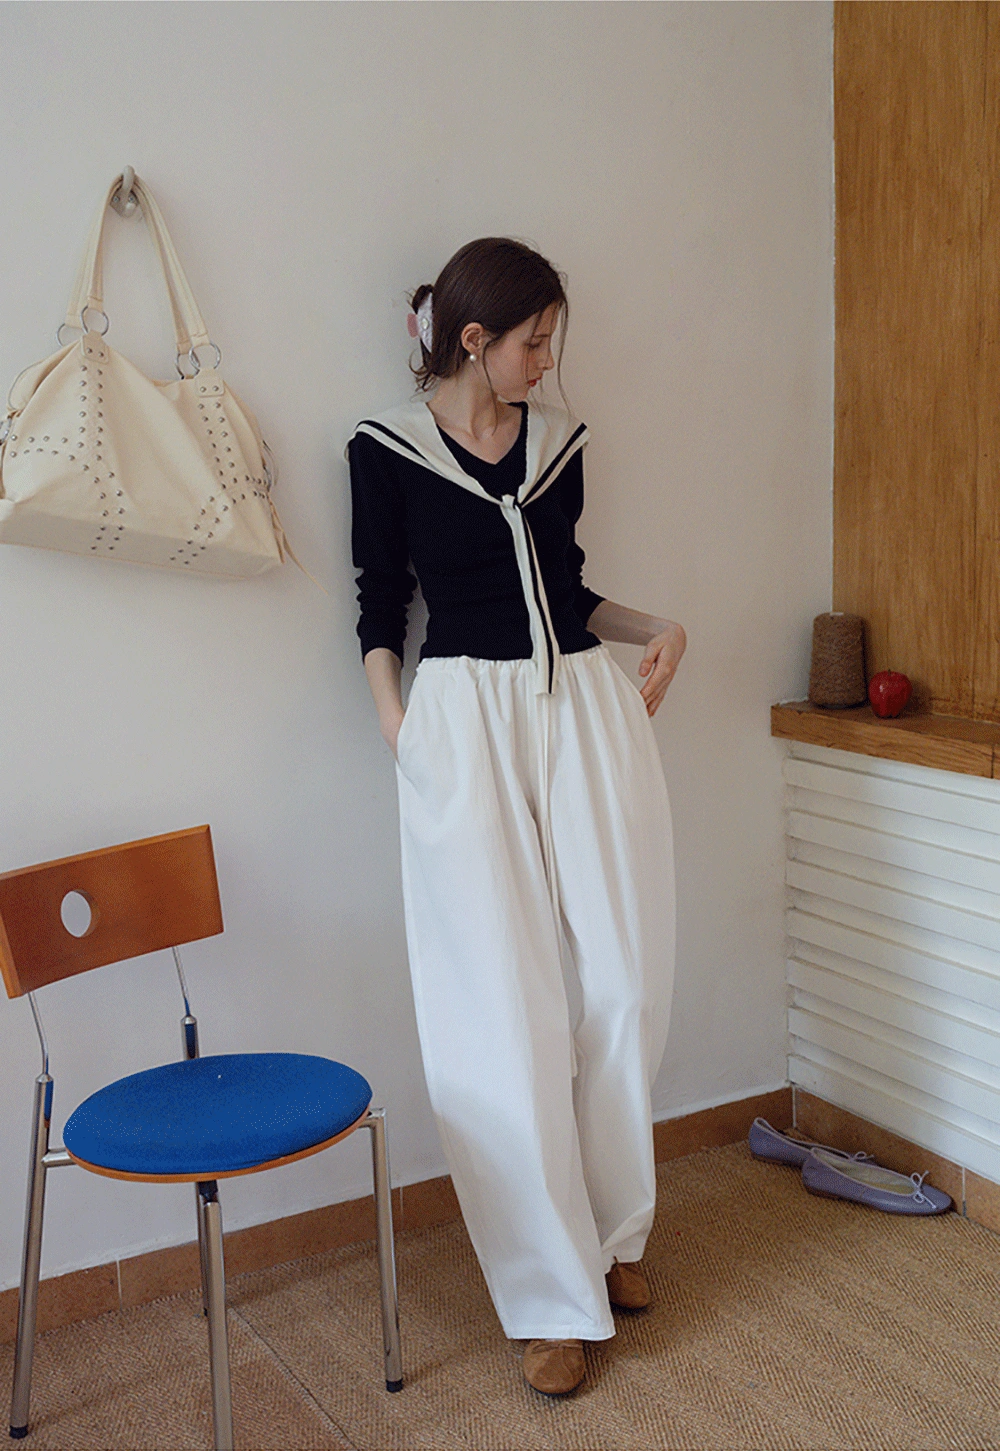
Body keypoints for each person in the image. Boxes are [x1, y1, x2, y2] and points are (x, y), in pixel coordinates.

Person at [347, 237, 685, 1397]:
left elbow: (566, 586)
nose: (548, 362)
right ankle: (549, 1296)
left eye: (552, 342)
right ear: (473, 338)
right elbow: (379, 599)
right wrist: (396, 720)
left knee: (622, 982)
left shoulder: (558, 445)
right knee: (502, 1008)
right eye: (534, 342)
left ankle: (613, 1231)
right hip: (462, 721)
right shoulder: (384, 448)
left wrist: (657, 626)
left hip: (584, 705)